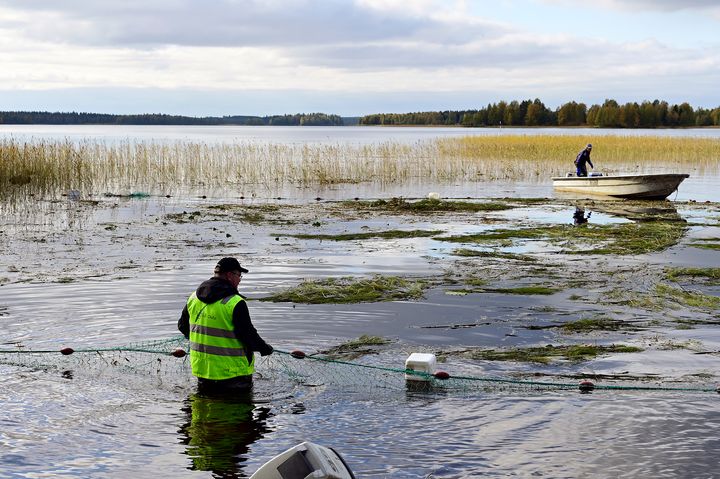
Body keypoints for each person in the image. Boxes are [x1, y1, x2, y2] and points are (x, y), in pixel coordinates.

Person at [178, 257, 273, 394]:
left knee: (203, 413)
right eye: (239, 275)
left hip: (203, 372)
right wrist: (266, 349)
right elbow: (249, 336)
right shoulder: (234, 302)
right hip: (234, 376)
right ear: (229, 275)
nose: (240, 279)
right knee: (237, 414)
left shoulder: (194, 298)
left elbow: (182, 326)